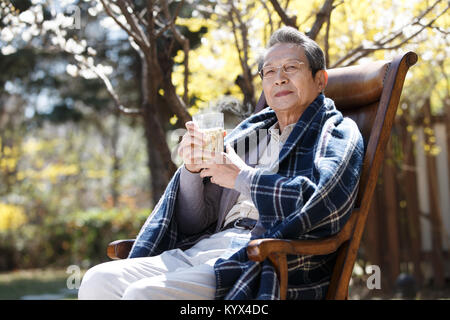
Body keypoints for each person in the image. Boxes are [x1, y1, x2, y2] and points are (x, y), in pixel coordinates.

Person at [78, 26, 364, 300]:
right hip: (204, 248)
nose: (279, 78)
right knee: (97, 281)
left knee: (143, 295)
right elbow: (194, 224)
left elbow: (321, 204)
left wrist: (242, 177)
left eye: (291, 68)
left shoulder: (337, 132)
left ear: (320, 80)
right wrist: (191, 171)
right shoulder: (250, 134)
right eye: (270, 72)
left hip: (260, 257)